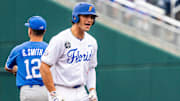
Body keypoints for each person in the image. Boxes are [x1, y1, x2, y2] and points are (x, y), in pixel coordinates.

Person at [40, 2, 98, 101]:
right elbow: (44, 66)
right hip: (62, 90)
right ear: (76, 17)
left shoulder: (92, 42)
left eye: (92, 17)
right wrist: (53, 93)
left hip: (81, 91)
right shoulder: (60, 39)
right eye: (86, 16)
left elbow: (91, 68)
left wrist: (92, 90)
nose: (89, 20)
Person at [4, 16, 48, 101]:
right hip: (46, 90)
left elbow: (8, 67)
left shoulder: (18, 49)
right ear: (44, 31)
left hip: (28, 91)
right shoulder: (50, 48)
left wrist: (18, 69)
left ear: (30, 31)